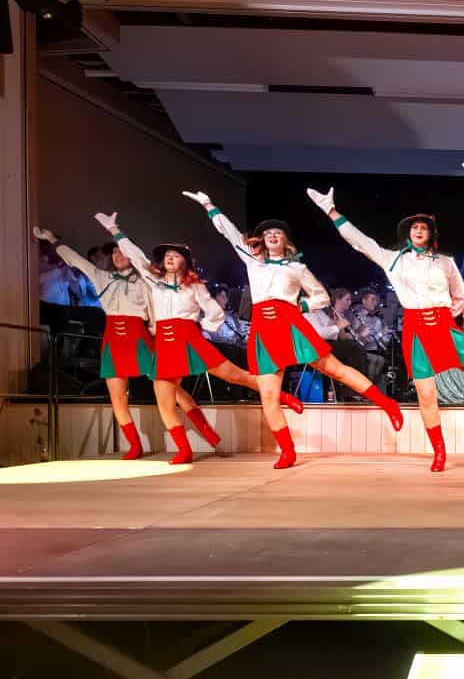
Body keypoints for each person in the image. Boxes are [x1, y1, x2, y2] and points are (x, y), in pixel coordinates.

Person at [306, 189, 464, 472]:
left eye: (423, 227)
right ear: (408, 233)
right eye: (414, 227)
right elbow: (360, 242)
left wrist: (445, 316)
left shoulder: (445, 261)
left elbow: (460, 296)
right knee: (426, 394)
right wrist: (332, 212)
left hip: (443, 324)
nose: (418, 230)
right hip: (415, 330)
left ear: (430, 234)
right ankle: (439, 453)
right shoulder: (394, 259)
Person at [184, 191, 405, 470]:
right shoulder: (253, 260)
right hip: (264, 330)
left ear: (286, 241)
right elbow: (230, 234)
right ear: (262, 240)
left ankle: (386, 403)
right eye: (268, 233)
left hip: (291, 324)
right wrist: (209, 206)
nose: (272, 236)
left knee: (335, 369)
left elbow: (321, 297)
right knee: (268, 395)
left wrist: (300, 306)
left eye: (277, 233)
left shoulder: (297, 268)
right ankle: (287, 451)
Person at [94, 213, 304, 465]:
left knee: (236, 375)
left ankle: (283, 396)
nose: (170, 258)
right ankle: (184, 450)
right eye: (167, 255)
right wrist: (115, 230)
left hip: (189, 339)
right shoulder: (154, 280)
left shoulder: (194, 286)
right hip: (164, 344)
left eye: (176, 255)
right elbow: (136, 256)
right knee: (164, 400)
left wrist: (201, 327)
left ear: (185, 261)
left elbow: (215, 313)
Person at [33, 227, 216, 460]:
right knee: (117, 398)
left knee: (173, 390)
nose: (118, 255)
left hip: (141, 340)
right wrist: (52, 240)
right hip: (113, 342)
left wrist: (162, 337)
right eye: (114, 252)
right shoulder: (102, 277)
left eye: (123, 251)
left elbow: (157, 313)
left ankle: (205, 431)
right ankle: (135, 445)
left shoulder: (147, 281)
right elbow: (76, 260)